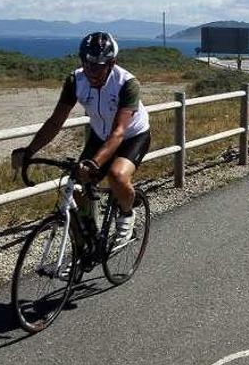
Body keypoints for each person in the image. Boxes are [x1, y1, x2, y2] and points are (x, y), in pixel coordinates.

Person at [13, 31, 150, 245]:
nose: (93, 71)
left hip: (132, 136)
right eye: (88, 64)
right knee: (76, 185)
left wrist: (95, 163)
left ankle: (127, 214)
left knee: (116, 176)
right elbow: (55, 122)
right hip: (99, 135)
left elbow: (119, 132)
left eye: (100, 65)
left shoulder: (127, 83)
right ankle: (87, 243)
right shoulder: (75, 80)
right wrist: (29, 151)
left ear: (112, 63)